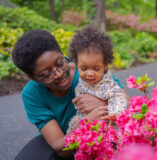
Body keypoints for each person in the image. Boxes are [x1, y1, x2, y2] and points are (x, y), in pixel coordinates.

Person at [12, 29, 126, 160]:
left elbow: (127, 104)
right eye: (46, 74)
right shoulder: (32, 93)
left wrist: (102, 103)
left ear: (61, 53)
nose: (58, 74)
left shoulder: (87, 69)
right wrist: (86, 123)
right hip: (69, 143)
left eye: (60, 63)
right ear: (33, 78)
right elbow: (59, 146)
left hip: (105, 139)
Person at [67, 26, 128, 133]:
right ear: (76, 63)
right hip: (85, 118)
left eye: (96, 69)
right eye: (83, 68)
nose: (89, 74)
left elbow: (119, 97)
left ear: (105, 65)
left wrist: (114, 115)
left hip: (106, 120)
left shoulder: (107, 82)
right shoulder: (81, 80)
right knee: (71, 129)